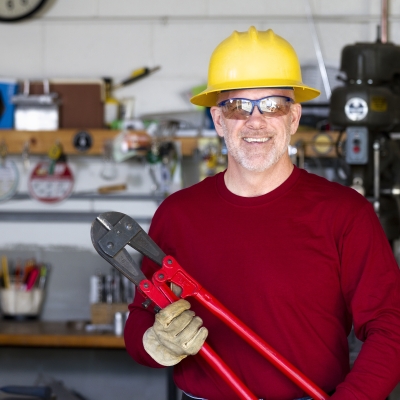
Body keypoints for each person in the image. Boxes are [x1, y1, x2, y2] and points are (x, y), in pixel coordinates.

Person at [124, 27, 400, 400]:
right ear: (219, 121)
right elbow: (141, 318)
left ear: (294, 118)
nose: (256, 121)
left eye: (273, 105)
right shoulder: (178, 215)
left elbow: (391, 325)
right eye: (238, 106)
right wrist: (155, 343)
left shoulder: (345, 214)